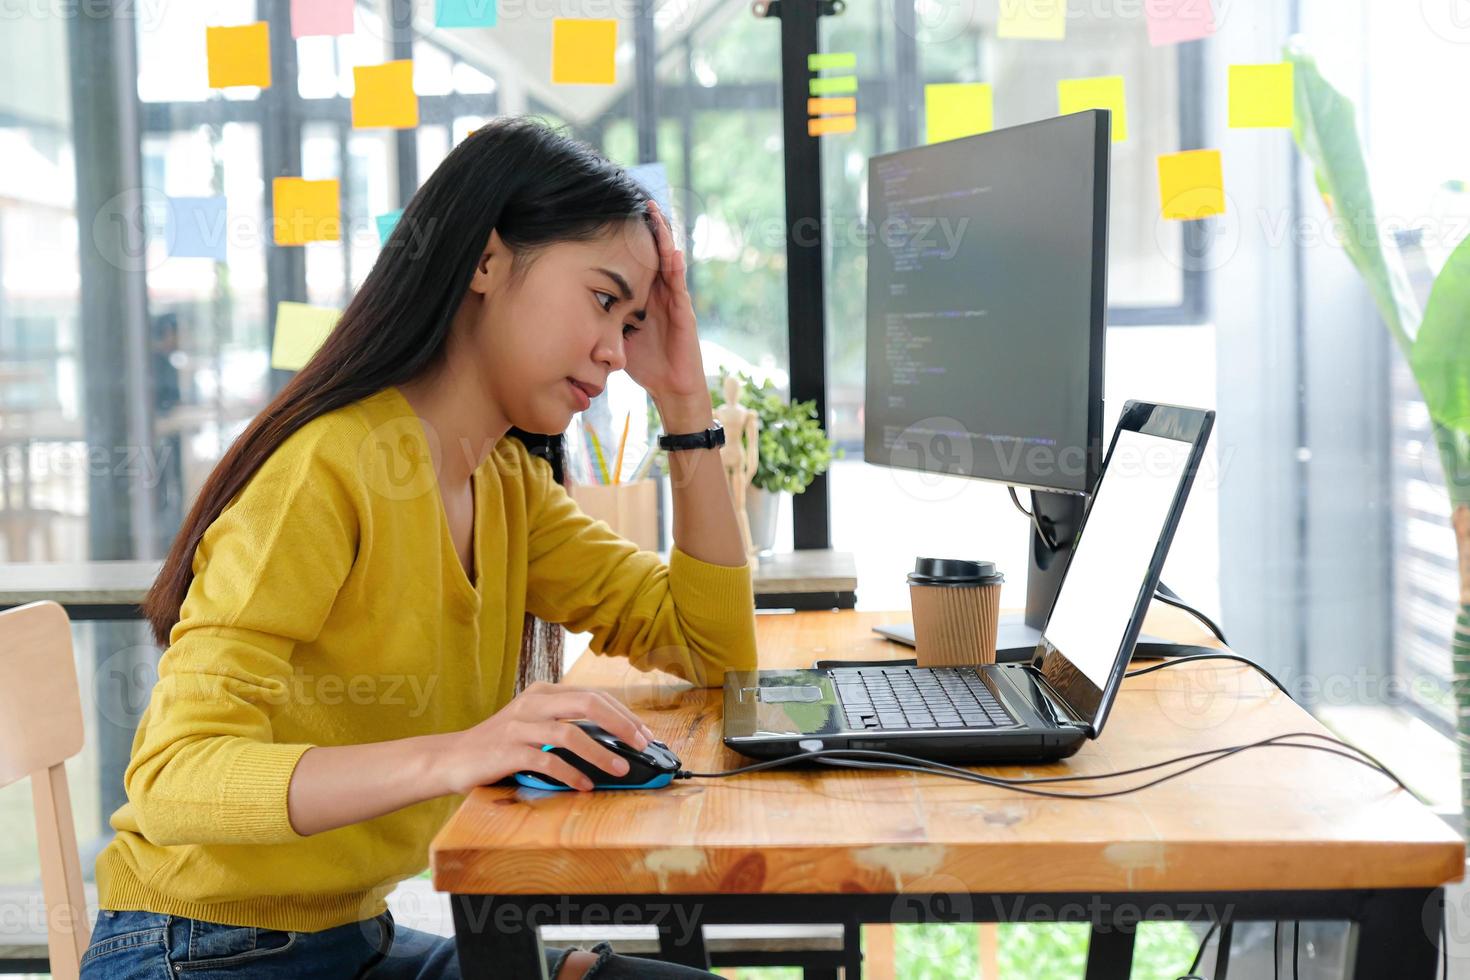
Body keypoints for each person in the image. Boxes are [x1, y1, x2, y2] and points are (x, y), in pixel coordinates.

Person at [80, 117, 757, 979]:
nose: (615, 353)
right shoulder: (326, 469)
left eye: (631, 324)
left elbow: (713, 647)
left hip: (353, 946)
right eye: (602, 299)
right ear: (485, 259)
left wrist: (685, 400)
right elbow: (175, 777)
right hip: (195, 953)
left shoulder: (505, 482)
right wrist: (467, 749)